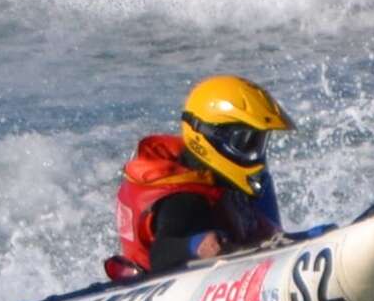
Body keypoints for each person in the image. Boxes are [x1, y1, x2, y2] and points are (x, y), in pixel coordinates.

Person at [103, 75, 293, 281]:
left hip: (230, 261)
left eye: (259, 144)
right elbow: (160, 254)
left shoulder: (223, 178)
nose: (255, 154)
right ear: (210, 137)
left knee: (262, 183)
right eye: (246, 143)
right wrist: (197, 245)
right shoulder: (183, 199)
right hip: (161, 286)